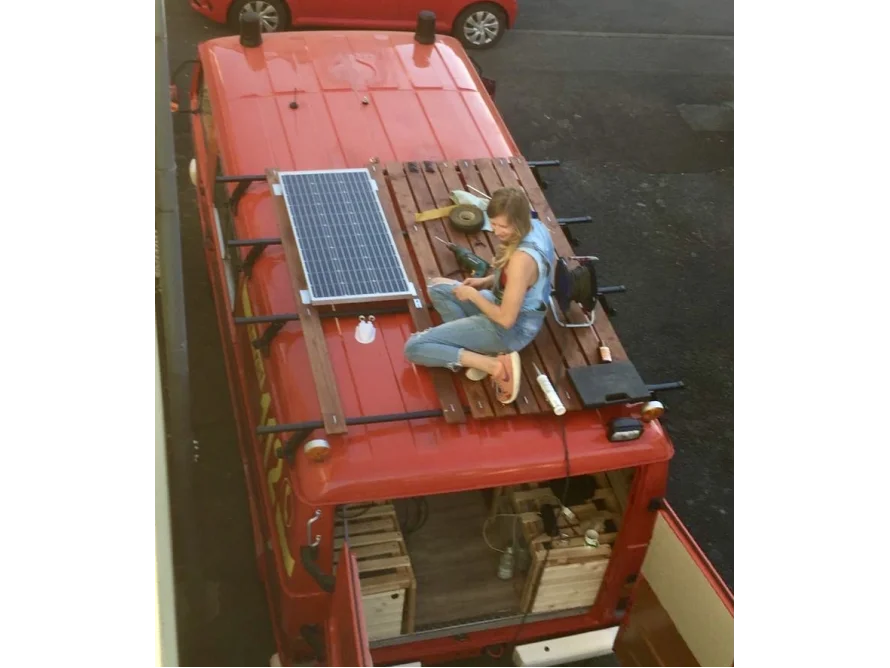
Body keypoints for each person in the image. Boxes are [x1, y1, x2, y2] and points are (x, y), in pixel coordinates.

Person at [404, 187, 555, 405]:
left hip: (512, 329)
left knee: (414, 348)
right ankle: (479, 348)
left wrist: (473, 295)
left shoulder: (522, 261)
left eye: (504, 226)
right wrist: (485, 281)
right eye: (493, 224)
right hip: (503, 304)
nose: (497, 231)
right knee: (436, 287)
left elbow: (505, 319)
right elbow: (518, 283)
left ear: (520, 221)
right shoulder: (536, 226)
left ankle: (495, 366)